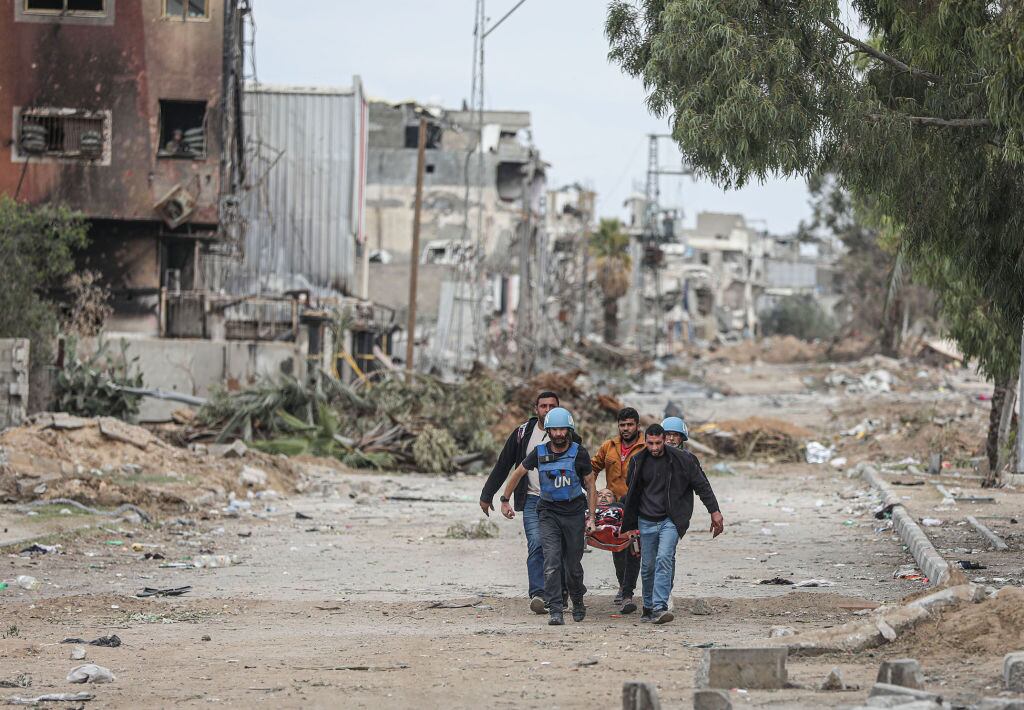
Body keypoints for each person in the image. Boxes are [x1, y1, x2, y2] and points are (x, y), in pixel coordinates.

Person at [480, 391, 580, 614]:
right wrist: (489, 495)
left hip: (565, 502)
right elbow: (505, 464)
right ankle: (539, 593)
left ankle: (560, 594)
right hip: (535, 499)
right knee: (536, 542)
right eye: (543, 406)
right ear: (536, 409)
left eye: (551, 406)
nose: (547, 410)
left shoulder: (570, 436)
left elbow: (583, 471)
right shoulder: (523, 433)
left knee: (562, 548)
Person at [500, 407, 596, 626]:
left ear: (569, 430)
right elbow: (518, 473)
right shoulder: (540, 452)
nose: (559, 433)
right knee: (551, 561)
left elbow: (590, 485)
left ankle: (578, 599)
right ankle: (555, 609)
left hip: (574, 513)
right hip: (548, 512)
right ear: (549, 431)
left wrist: (591, 517)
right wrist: (505, 500)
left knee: (572, 566)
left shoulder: (579, 453)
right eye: (555, 429)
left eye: (563, 429)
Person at [622, 423, 725, 624]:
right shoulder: (637, 461)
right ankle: (649, 606)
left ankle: (660, 607)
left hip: (671, 519)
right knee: (648, 566)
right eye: (650, 443)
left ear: (663, 441)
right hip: (645, 520)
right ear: (645, 441)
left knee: (664, 559)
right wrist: (630, 523)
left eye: (658, 443)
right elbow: (632, 491)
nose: (654, 448)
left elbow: (702, 485)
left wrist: (714, 511)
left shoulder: (683, 460)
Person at [591, 407, 646, 613]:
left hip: (638, 505)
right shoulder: (609, 446)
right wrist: (592, 495)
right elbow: (592, 468)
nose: (626, 429)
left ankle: (628, 593)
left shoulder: (645, 446)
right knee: (617, 547)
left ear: (637, 426)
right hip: (614, 508)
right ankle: (624, 587)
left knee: (634, 548)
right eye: (622, 425)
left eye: (630, 424)